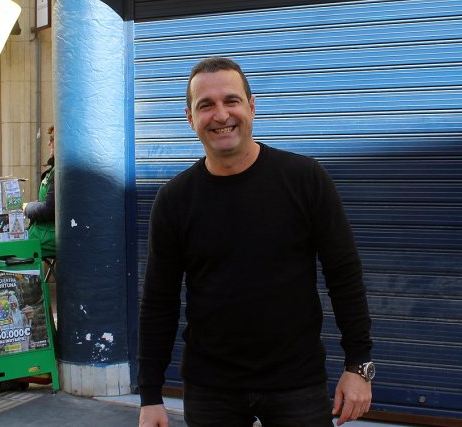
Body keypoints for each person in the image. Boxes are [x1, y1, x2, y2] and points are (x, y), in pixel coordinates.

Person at [137, 57, 375, 427]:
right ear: (190, 118)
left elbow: (343, 276)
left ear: (252, 107)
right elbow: (159, 302)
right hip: (210, 388)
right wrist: (149, 395)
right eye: (206, 105)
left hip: (296, 383)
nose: (221, 115)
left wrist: (358, 366)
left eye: (231, 101)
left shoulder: (305, 180)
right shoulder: (174, 200)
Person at [24, 126, 56, 258]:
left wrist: (27, 207)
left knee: (12, 250)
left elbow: (50, 209)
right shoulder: (55, 169)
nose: (49, 143)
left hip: (49, 236)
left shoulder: (60, 171)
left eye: (52, 139)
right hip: (42, 232)